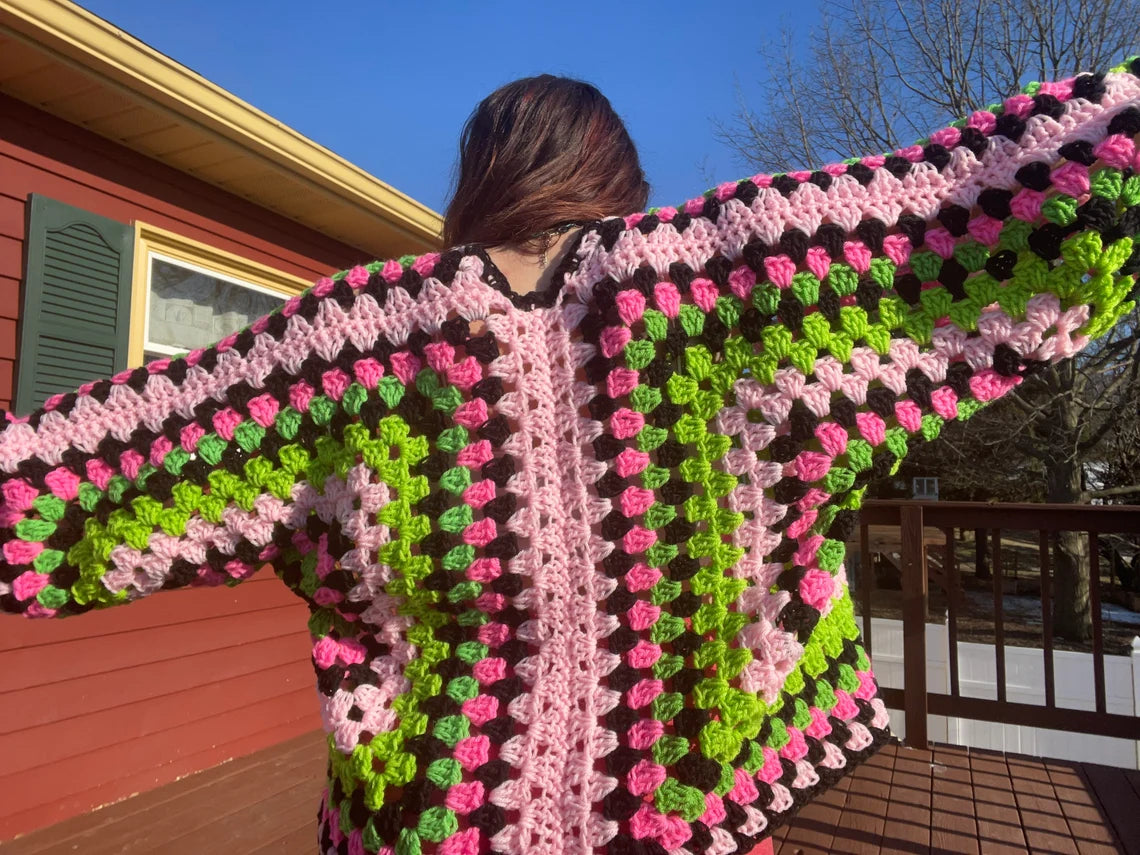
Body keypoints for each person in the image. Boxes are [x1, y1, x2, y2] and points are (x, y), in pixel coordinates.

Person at [4, 62, 1140, 855]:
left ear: (480, 178)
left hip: (433, 823)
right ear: (617, 182)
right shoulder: (743, 285)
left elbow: (82, 477)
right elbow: (1027, 195)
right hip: (700, 813)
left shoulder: (338, 351)